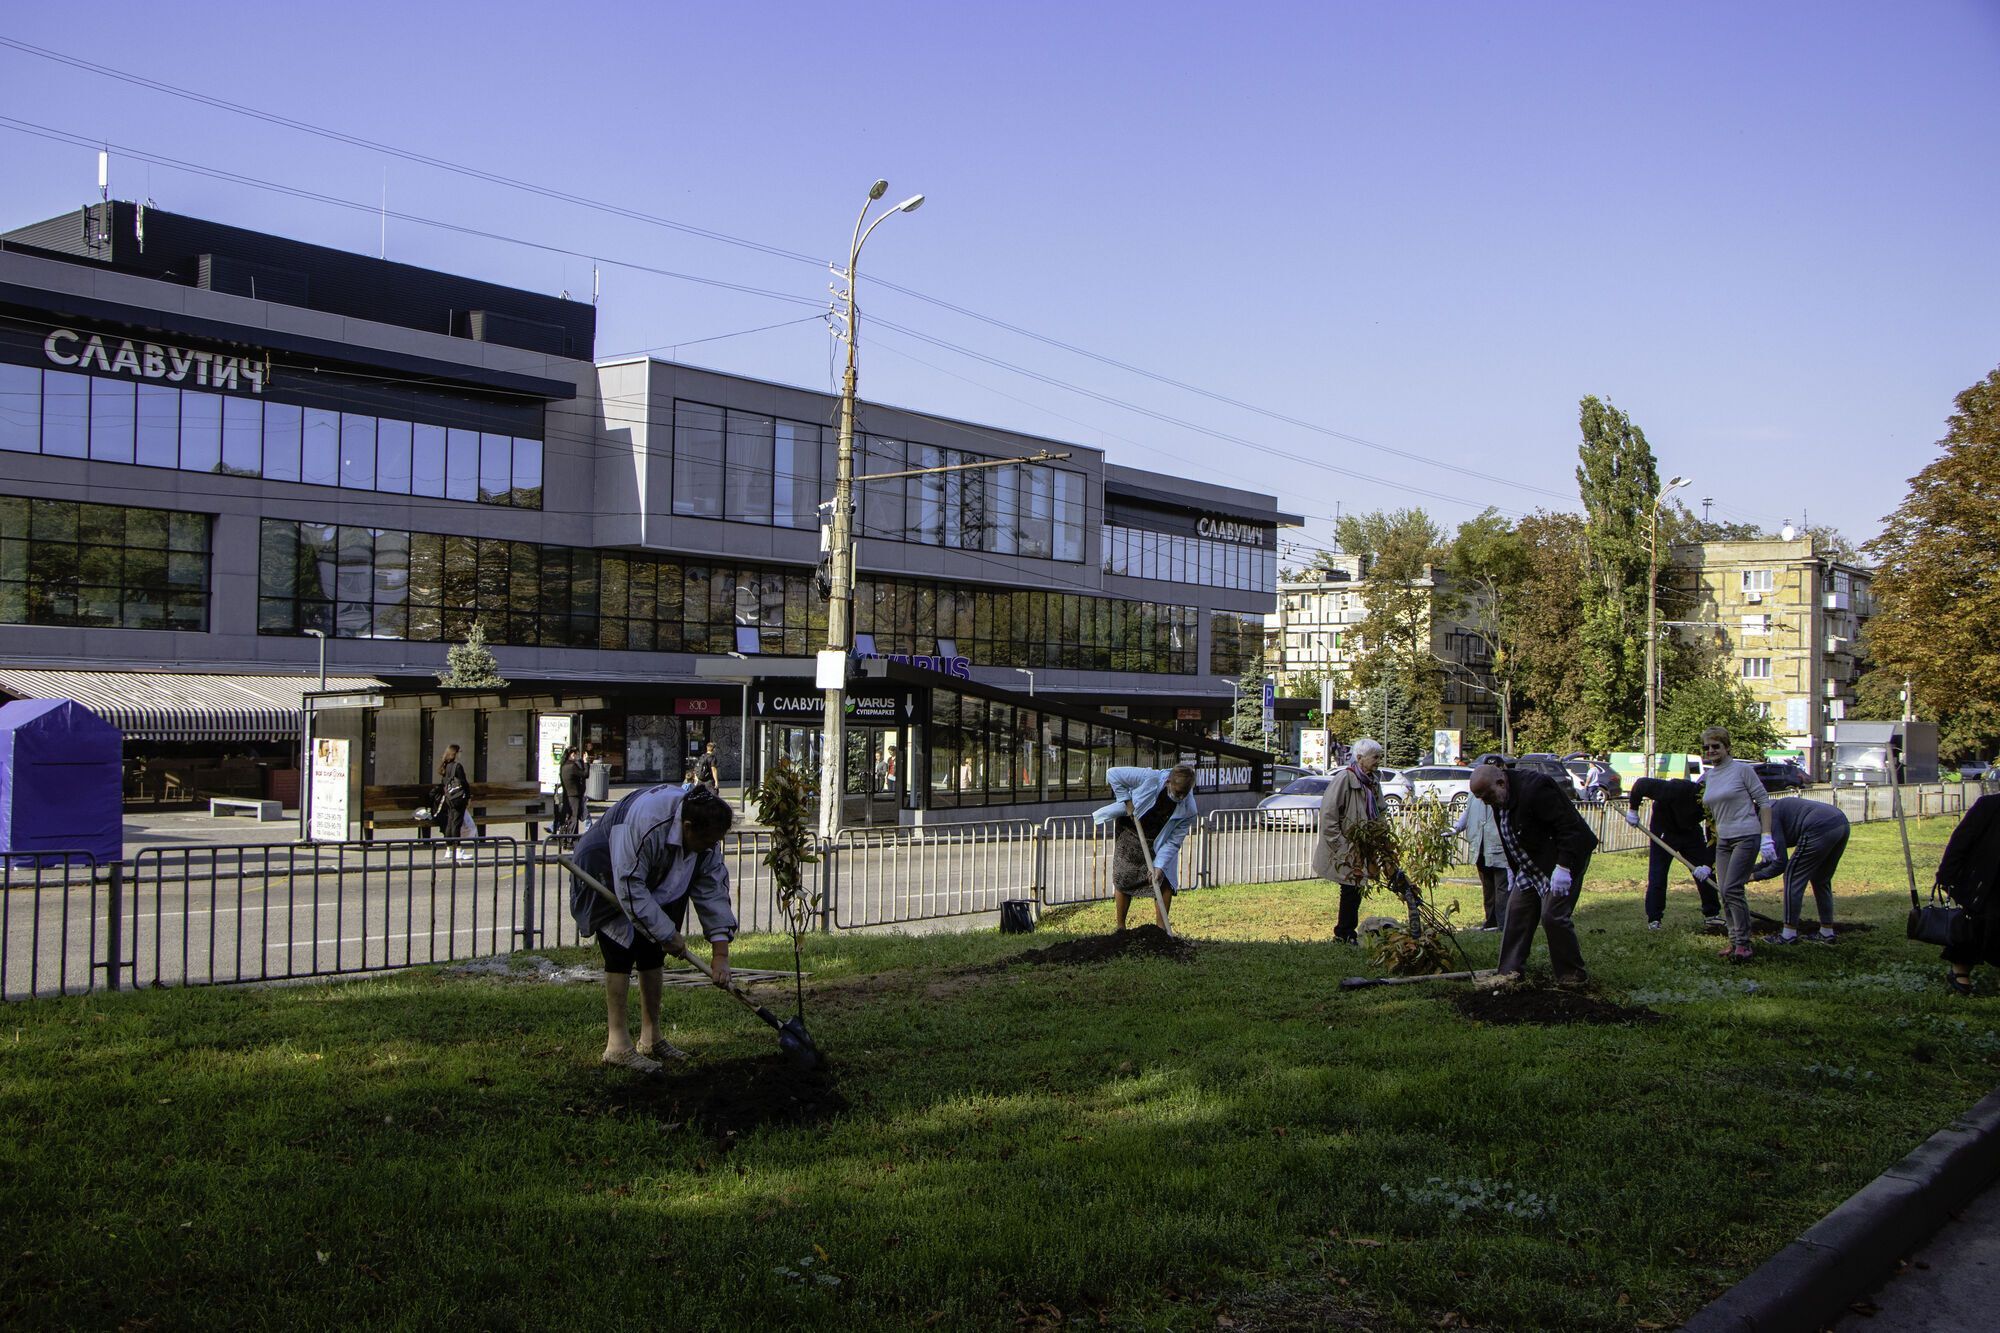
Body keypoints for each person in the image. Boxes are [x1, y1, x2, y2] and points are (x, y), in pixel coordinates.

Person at [569, 783, 738, 1073]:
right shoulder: (647, 822)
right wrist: (666, 933)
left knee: (652, 955)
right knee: (620, 952)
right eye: (707, 841)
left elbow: (712, 886)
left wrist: (720, 952)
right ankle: (617, 1045)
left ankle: (651, 1037)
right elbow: (630, 886)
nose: (711, 847)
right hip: (607, 869)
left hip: (661, 876)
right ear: (687, 827)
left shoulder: (704, 838)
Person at [1469, 761, 1598, 985]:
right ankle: (1510, 974)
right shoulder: (1498, 795)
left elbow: (1568, 828)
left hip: (1565, 858)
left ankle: (1572, 976)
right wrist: (1513, 868)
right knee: (1516, 911)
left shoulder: (1536, 789)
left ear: (1500, 782)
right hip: (1531, 864)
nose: (1485, 801)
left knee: (1553, 915)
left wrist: (1564, 867)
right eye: (1480, 798)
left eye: (1486, 795)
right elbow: (1508, 833)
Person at [1699, 726, 1775, 963]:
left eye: (1716, 746)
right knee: (1723, 891)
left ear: (1727, 747)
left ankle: (1744, 944)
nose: (1711, 750)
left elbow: (1763, 801)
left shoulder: (1742, 770)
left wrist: (1766, 836)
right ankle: (1734, 942)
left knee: (1732, 888)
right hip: (1724, 840)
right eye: (1707, 747)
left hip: (1747, 836)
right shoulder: (1710, 776)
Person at [1093, 763, 1199, 931]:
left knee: (1164, 881)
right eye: (1178, 792)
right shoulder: (1151, 777)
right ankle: (1121, 927)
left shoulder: (1189, 809)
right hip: (1131, 828)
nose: (1180, 797)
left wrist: (1159, 866)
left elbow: (1173, 841)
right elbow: (1113, 773)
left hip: (1160, 839)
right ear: (1168, 781)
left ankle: (1161, 930)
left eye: (1184, 794)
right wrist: (1126, 800)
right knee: (1124, 875)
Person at [1313, 738, 1387, 945]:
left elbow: (1380, 809)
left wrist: (1382, 833)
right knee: (1351, 887)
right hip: (1347, 846)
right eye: (1375, 757)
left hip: (1363, 845)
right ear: (1360, 758)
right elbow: (1328, 815)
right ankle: (1344, 933)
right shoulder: (1345, 779)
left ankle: (1346, 932)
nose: (1378, 761)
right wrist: (1342, 847)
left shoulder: (1372, 780)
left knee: (1355, 888)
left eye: (1379, 756)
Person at [1625, 776, 1722, 931]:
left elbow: (1713, 835)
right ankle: (1654, 920)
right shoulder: (1676, 789)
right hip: (1664, 829)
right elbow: (1641, 784)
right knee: (1658, 875)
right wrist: (1633, 810)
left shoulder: (1716, 805)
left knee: (1706, 872)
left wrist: (1707, 865)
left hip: (1690, 831)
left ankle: (1712, 915)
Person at [1751, 798, 1851, 945]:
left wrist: (1753, 877)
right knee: (1821, 879)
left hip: (1818, 826)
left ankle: (1788, 935)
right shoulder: (1769, 808)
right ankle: (1826, 932)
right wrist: (1752, 870)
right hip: (1840, 822)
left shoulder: (1766, 817)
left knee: (1792, 876)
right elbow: (1771, 859)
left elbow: (1780, 863)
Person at [1935, 793, 2000, 996]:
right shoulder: (1990, 805)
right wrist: (1947, 875)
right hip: (1985, 882)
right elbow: (1961, 840)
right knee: (1974, 924)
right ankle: (1960, 971)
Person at [1453, 763, 1509, 932]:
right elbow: (1468, 812)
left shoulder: (1502, 791)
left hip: (1498, 846)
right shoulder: (1475, 791)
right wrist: (1455, 827)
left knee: (1502, 887)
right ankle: (1490, 921)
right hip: (1480, 846)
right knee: (1488, 887)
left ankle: (1503, 923)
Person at [433, 743, 473, 863]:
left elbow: (444, 783)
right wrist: (468, 797)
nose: (461, 754)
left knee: (450, 823)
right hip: (458, 798)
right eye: (460, 752)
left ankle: (449, 849)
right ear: (455, 753)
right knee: (457, 823)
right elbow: (464, 783)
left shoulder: (446, 766)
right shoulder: (457, 766)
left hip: (449, 798)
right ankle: (458, 850)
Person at [558, 744, 589, 836]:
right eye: (577, 754)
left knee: (569, 816)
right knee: (574, 817)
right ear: (572, 754)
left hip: (567, 795)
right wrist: (586, 762)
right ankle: (571, 839)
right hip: (574, 795)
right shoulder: (572, 766)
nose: (577, 756)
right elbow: (585, 774)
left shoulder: (563, 766)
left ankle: (565, 838)